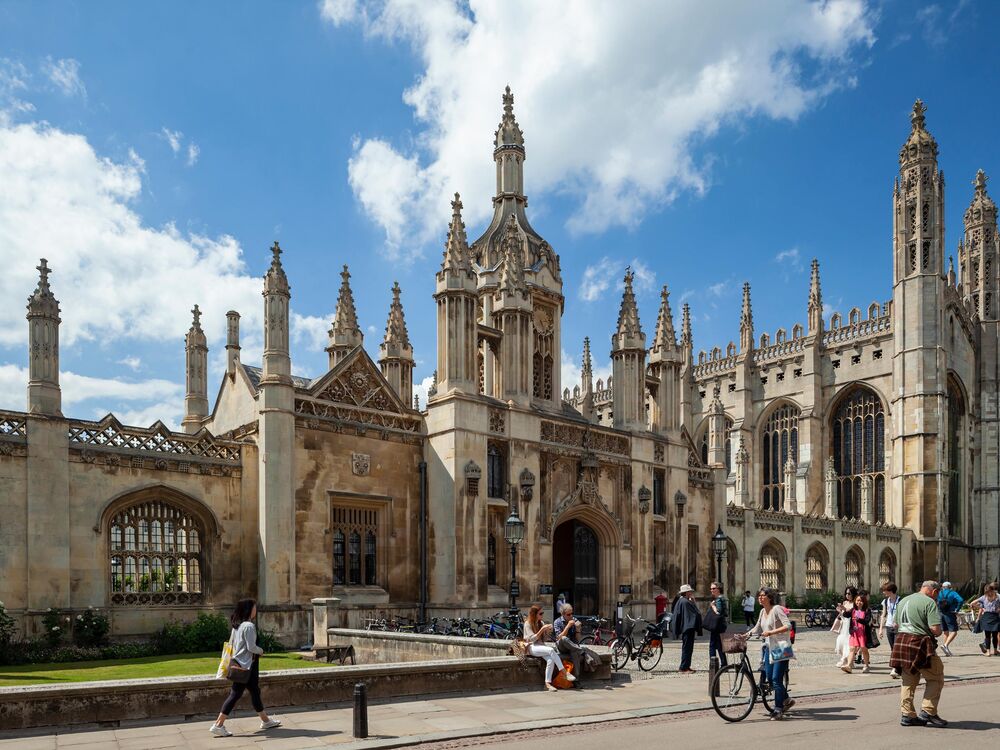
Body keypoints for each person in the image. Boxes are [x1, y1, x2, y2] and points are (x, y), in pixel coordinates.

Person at [210, 599, 281, 737]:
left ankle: (266, 721)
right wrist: (261, 651)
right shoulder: (248, 626)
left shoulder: (238, 626)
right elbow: (251, 647)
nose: (256, 609)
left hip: (243, 664)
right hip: (246, 666)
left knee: (255, 692)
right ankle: (218, 725)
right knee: (235, 694)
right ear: (249, 609)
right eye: (255, 607)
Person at [889, 580, 946, 727]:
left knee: (908, 680)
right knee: (936, 677)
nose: (937, 597)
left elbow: (895, 624)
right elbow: (935, 629)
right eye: (937, 594)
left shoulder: (904, 600)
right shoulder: (929, 602)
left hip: (902, 641)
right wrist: (939, 631)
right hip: (920, 642)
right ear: (934, 591)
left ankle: (907, 715)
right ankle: (928, 711)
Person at [744, 588, 794, 720]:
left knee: (777, 679)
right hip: (769, 648)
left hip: (781, 647)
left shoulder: (776, 609)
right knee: (771, 679)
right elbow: (758, 627)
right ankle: (787, 699)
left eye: (763, 596)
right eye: (759, 596)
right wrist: (747, 634)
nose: (760, 598)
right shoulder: (762, 611)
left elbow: (788, 625)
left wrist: (771, 633)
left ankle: (778, 709)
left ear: (770, 597)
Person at [522, 604, 574, 691]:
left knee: (550, 660)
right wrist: (542, 629)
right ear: (534, 614)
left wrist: (547, 632)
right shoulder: (527, 624)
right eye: (540, 613)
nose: (542, 615)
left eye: (542, 613)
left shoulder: (541, 623)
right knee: (550, 650)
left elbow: (544, 639)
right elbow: (532, 639)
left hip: (540, 646)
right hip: (531, 647)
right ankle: (564, 672)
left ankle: (547, 684)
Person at [671, 584, 702, 674]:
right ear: (686, 592)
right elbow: (697, 613)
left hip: (686, 628)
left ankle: (686, 666)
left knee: (687, 648)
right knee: (687, 648)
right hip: (688, 628)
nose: (691, 593)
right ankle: (684, 667)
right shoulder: (686, 602)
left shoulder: (681, 601)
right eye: (690, 591)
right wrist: (694, 602)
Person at [841, 590, 873, 674]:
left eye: (861, 601)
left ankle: (866, 665)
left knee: (864, 649)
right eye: (857, 600)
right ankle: (848, 665)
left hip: (863, 633)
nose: (859, 602)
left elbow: (867, 621)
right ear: (855, 601)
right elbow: (846, 615)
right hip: (854, 632)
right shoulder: (853, 610)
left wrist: (859, 619)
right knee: (852, 649)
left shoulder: (867, 610)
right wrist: (843, 609)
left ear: (864, 602)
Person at [551, 603, 586, 678]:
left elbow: (578, 639)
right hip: (562, 646)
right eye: (568, 614)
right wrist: (568, 626)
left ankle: (577, 679)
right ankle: (580, 650)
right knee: (564, 638)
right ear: (563, 614)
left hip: (572, 646)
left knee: (575, 653)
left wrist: (578, 630)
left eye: (572, 613)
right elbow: (559, 637)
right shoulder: (557, 622)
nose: (571, 616)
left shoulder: (574, 620)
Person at [879, 582, 901, 679]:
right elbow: (883, 615)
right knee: (893, 648)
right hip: (889, 626)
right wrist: (880, 629)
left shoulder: (900, 600)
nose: (884, 592)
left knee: (897, 648)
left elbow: (903, 614)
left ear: (891, 591)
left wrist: (898, 622)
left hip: (898, 627)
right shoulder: (885, 601)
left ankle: (895, 668)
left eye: (885, 590)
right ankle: (897, 668)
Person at [972, 583, 1000, 656]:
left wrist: (981, 608)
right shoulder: (997, 596)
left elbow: (972, 603)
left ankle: (990, 651)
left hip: (989, 616)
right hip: (993, 616)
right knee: (992, 635)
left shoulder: (984, 597)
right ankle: (993, 651)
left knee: (990, 635)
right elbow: (973, 603)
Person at [936, 581, 964, 656]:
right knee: (954, 631)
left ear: (942, 587)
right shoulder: (952, 593)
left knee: (945, 631)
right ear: (950, 586)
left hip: (941, 613)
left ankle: (946, 649)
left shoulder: (939, 593)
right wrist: (957, 609)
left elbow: (936, 601)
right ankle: (945, 645)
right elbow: (960, 600)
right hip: (950, 613)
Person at [833, 586, 857, 668]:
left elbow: (852, 614)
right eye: (846, 593)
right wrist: (840, 611)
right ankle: (845, 659)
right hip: (844, 625)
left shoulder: (855, 603)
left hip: (851, 625)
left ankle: (845, 660)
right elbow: (842, 615)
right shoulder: (845, 602)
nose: (847, 595)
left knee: (849, 643)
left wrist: (844, 609)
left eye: (849, 593)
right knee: (841, 642)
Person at [706, 581, 729, 667]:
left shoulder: (719, 599)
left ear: (718, 589)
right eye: (711, 588)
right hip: (720, 625)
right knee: (719, 645)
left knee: (712, 645)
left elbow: (718, 612)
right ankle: (723, 663)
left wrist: (713, 606)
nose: (711, 590)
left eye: (713, 588)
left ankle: (713, 663)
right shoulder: (720, 598)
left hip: (717, 625)